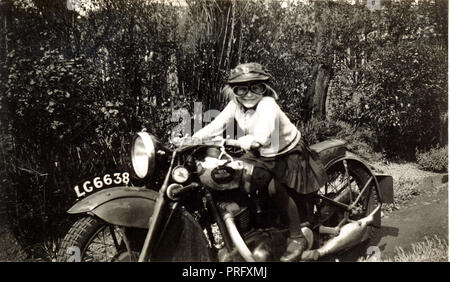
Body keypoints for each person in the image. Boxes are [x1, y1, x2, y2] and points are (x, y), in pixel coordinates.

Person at [192, 62, 327, 262]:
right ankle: (248, 228)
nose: (249, 94)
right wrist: (192, 139)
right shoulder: (234, 105)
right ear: (233, 90)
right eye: (241, 88)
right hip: (259, 151)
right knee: (237, 178)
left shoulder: (268, 104)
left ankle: (296, 236)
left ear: (264, 88)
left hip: (284, 152)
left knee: (274, 188)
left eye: (256, 87)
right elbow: (215, 126)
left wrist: (250, 140)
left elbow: (264, 132)